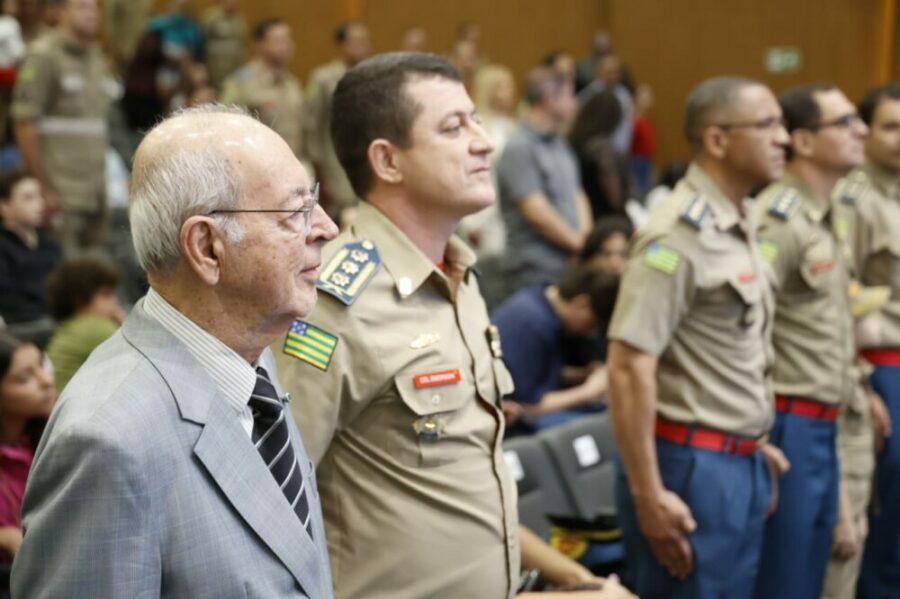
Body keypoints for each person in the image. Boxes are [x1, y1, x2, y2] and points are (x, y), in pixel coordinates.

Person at [274, 52, 626, 599]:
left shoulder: (460, 278)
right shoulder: (331, 305)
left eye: (477, 120)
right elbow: (269, 505)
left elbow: (464, 483)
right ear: (388, 161)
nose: (483, 142)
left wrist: (573, 579)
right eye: (454, 127)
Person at [11, 104, 338, 597]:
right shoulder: (107, 439)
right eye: (296, 212)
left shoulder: (250, 358)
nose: (326, 228)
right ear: (207, 248)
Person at [606, 76, 790, 598]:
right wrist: (648, 494)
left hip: (738, 459)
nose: (784, 137)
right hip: (691, 471)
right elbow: (628, 365)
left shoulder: (741, 218)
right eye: (767, 125)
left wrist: (752, 441)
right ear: (717, 140)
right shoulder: (676, 236)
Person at [751, 83, 869, 599]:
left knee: (820, 570)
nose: (859, 129)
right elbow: (750, 323)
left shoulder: (826, 214)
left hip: (826, 416)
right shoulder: (778, 219)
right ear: (802, 140)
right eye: (844, 123)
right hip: (788, 420)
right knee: (788, 580)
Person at [838, 82, 900, 599]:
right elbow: (843, 298)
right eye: (890, 126)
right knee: (888, 493)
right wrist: (862, 381)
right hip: (883, 361)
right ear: (866, 132)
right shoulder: (854, 199)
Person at [12, 0, 113, 257]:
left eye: (94, 8)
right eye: (82, 7)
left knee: (94, 273)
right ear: (60, 12)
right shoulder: (43, 55)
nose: (91, 14)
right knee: (66, 277)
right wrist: (42, 188)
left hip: (95, 189)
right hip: (61, 190)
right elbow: (25, 123)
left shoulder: (96, 56)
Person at [492, 264, 618, 433]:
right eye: (592, 324)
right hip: (513, 419)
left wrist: (583, 375)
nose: (589, 332)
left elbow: (538, 374)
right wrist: (588, 391)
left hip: (528, 405)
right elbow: (528, 406)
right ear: (582, 303)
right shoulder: (533, 323)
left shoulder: (542, 302)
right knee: (600, 426)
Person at [499, 67, 592, 293]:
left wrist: (585, 242)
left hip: (569, 264)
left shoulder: (561, 145)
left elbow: (577, 194)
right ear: (549, 99)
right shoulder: (520, 147)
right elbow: (536, 212)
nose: (574, 103)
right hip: (533, 271)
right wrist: (578, 244)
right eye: (569, 95)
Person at [302, 21, 370, 222]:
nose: (362, 45)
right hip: (333, 161)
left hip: (365, 160)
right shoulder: (323, 78)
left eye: (365, 41)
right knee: (338, 216)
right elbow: (312, 125)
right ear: (342, 44)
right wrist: (319, 169)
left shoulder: (370, 77)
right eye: (355, 41)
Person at [0, 333, 54, 562]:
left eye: (41, 365)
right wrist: (4, 537)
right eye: (24, 378)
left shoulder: (60, 432)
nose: (47, 381)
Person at [221, 18, 303, 158]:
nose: (286, 46)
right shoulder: (240, 82)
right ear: (258, 45)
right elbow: (225, 125)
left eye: (288, 40)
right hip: (258, 164)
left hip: (294, 161)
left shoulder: (292, 83)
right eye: (278, 41)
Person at [44, 258, 122, 392]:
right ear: (79, 300)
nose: (115, 300)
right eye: (106, 294)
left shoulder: (73, 327)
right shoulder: (95, 328)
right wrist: (124, 324)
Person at [0, 170, 60, 339]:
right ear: (4, 206)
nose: (39, 204)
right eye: (28, 198)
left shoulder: (49, 243)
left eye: (39, 196)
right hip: (22, 326)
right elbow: (8, 302)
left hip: (54, 317)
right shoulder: (3, 247)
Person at [569, 88, 629, 219]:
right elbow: (614, 197)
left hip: (576, 216)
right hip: (603, 222)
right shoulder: (601, 148)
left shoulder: (573, 141)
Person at [578, 54, 633, 156]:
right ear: (599, 72)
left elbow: (627, 125)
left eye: (615, 72)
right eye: (608, 72)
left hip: (619, 150)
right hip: (595, 151)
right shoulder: (590, 93)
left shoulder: (624, 96)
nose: (612, 76)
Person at [200, 0, 246, 90]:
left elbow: (240, 40)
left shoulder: (238, 18)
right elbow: (203, 38)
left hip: (235, 63)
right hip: (217, 64)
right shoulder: (211, 16)